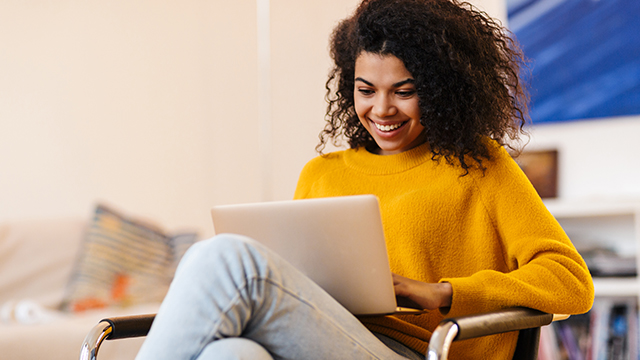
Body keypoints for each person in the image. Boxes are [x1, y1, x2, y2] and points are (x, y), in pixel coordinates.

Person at [135, 0, 594, 359]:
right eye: (366, 90)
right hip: (324, 338)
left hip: (418, 351)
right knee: (229, 353)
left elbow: (572, 282)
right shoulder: (321, 174)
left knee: (224, 257)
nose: (381, 110)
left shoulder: (478, 166)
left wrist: (445, 292)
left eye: (404, 91)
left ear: (439, 89)